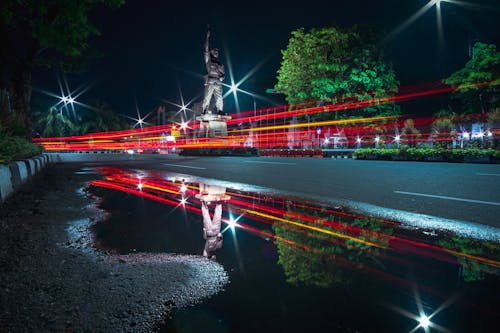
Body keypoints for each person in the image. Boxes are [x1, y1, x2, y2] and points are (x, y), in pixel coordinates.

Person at [201, 28, 225, 115]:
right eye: (214, 51)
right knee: (207, 97)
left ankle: (220, 110)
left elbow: (223, 75)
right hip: (210, 80)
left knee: (219, 97)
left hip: (218, 81)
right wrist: (207, 37)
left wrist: (222, 77)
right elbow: (206, 49)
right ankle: (204, 110)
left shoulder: (220, 64)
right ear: (211, 53)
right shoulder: (209, 61)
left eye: (217, 52)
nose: (216, 53)